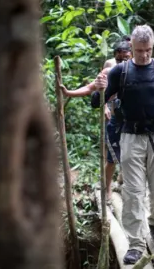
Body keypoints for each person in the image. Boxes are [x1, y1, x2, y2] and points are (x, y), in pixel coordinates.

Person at [92, 25, 154, 264]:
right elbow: (97, 102)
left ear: (153, 48)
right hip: (131, 137)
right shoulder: (120, 72)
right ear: (132, 48)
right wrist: (99, 88)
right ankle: (136, 243)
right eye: (139, 51)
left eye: (148, 50)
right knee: (134, 192)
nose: (144, 55)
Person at [61, 41, 132, 202]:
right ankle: (107, 189)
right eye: (120, 60)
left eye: (126, 58)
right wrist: (68, 92)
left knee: (133, 157)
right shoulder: (109, 71)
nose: (123, 63)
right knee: (112, 158)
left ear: (132, 56)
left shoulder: (140, 70)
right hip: (116, 120)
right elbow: (90, 89)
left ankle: (129, 187)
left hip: (134, 123)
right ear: (115, 58)